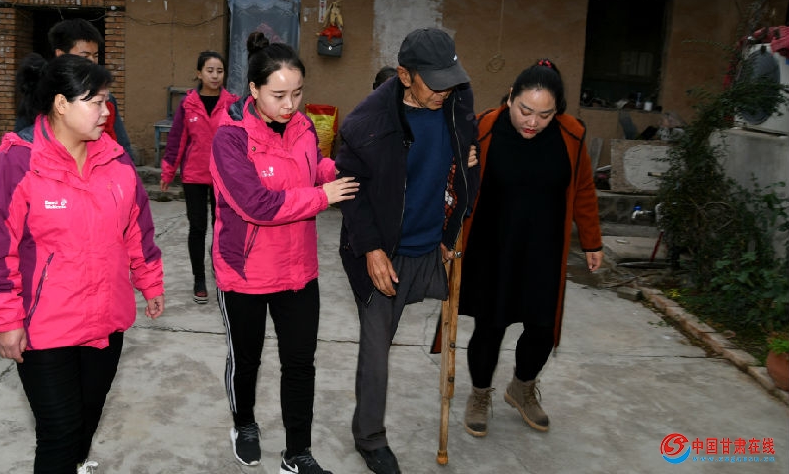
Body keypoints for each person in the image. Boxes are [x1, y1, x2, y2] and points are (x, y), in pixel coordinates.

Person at [0, 53, 165, 474]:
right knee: (59, 432)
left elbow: (138, 229)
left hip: (105, 320)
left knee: (85, 424)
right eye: (96, 102)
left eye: (107, 101)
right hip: (44, 327)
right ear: (61, 104)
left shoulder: (116, 161)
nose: (106, 112)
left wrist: (149, 281)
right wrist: (4, 319)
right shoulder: (16, 164)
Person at [210, 40, 358, 474]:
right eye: (279, 95)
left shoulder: (305, 126)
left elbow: (314, 168)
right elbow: (256, 204)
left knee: (299, 364)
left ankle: (297, 453)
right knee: (247, 360)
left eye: (297, 93)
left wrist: (337, 172)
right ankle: (244, 424)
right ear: (254, 89)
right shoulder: (231, 138)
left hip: (298, 270)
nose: (290, 104)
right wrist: (322, 196)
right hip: (246, 272)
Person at [335, 28, 478, 474]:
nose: (444, 91)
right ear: (404, 75)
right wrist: (371, 250)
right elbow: (350, 191)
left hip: (433, 245)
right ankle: (370, 438)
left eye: (450, 80)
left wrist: (452, 227)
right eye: (434, 83)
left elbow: (464, 168)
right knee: (377, 348)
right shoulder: (366, 124)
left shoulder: (456, 103)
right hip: (384, 251)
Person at [458, 59, 602, 438]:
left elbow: (584, 188)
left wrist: (592, 240)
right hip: (492, 247)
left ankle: (522, 387)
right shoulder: (482, 128)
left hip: (544, 249)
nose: (533, 122)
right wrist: (460, 167)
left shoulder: (571, 135)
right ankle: (479, 394)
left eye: (545, 115)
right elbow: (451, 181)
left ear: (558, 112)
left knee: (542, 329)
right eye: (525, 110)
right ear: (510, 97)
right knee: (490, 326)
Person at [160, 51, 239, 304]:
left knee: (221, 226)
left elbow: (241, 141)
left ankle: (219, 265)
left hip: (223, 177)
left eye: (219, 71)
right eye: (209, 70)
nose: (215, 76)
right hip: (194, 176)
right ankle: (199, 278)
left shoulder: (232, 104)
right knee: (198, 227)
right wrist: (168, 171)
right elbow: (177, 140)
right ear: (199, 73)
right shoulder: (188, 104)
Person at [46, 18, 137, 162]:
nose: (92, 62)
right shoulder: (42, 98)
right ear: (61, 55)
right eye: (85, 56)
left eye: (95, 56)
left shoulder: (107, 100)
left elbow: (122, 144)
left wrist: (127, 168)